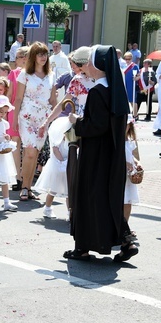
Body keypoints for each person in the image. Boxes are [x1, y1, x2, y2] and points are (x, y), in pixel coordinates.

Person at [64, 45, 136, 262]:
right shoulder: (115, 90)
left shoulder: (97, 91)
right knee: (108, 198)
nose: (86, 66)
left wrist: (77, 122)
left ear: (98, 64)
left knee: (88, 196)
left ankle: (83, 247)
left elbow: (96, 126)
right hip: (112, 154)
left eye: (89, 62)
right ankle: (125, 240)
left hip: (95, 154)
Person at [13, 42, 56, 201]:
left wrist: (58, 116)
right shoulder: (24, 74)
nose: (43, 57)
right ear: (33, 57)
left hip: (43, 119)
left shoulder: (52, 75)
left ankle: (29, 187)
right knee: (29, 151)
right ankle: (24, 187)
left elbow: (53, 99)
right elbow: (18, 99)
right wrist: (14, 120)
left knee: (36, 153)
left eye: (45, 54)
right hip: (27, 117)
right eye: (40, 54)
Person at [32, 123, 68, 219]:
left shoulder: (72, 141)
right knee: (53, 190)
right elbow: (56, 151)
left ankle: (70, 212)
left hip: (68, 167)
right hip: (58, 166)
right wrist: (62, 161)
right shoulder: (58, 141)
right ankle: (47, 208)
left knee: (69, 192)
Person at [7, 46, 29, 190]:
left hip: (29, 112)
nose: (18, 59)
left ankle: (26, 175)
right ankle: (18, 177)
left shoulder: (33, 74)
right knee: (15, 144)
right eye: (17, 56)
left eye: (21, 56)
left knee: (28, 145)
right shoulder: (13, 73)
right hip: (14, 110)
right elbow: (9, 94)